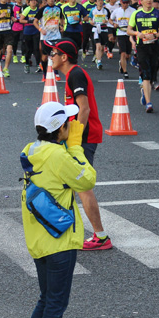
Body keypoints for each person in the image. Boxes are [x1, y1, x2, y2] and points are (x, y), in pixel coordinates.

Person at [18, 101, 96, 318]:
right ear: (60, 128)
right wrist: (75, 146)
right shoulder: (58, 155)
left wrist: (65, 143)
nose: (71, 126)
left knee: (45, 298)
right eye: (68, 123)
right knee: (55, 303)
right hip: (60, 239)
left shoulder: (32, 149)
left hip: (39, 238)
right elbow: (87, 180)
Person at [45, 38, 111, 251]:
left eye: (53, 53)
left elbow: (84, 109)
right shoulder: (72, 75)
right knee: (69, 184)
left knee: (83, 186)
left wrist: (75, 138)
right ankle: (62, 228)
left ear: (64, 57)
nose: (50, 57)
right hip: (79, 137)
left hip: (84, 138)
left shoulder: (75, 74)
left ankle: (101, 236)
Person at [127, 0, 159, 113]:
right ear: (141, 1)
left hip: (155, 46)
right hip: (142, 47)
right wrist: (137, 33)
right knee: (145, 73)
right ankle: (149, 103)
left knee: (152, 71)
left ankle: (145, 92)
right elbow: (129, 30)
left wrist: (154, 35)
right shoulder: (136, 14)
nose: (149, 0)